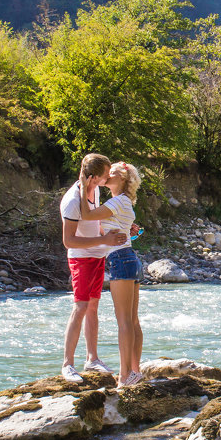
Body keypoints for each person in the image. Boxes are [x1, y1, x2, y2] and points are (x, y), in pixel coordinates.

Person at [59, 153, 129, 383]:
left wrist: (119, 229)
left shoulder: (95, 189)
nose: (107, 179)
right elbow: (69, 241)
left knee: (93, 307)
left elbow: (95, 222)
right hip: (81, 258)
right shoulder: (72, 201)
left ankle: (92, 358)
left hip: (98, 255)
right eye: (104, 176)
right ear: (92, 177)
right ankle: (67, 364)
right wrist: (103, 241)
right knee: (80, 307)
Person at [78, 161, 144, 386]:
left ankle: (125, 375)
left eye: (111, 173)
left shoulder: (117, 201)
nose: (106, 175)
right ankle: (135, 371)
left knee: (125, 322)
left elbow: (86, 215)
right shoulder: (122, 202)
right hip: (129, 258)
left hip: (120, 260)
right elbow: (110, 227)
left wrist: (81, 186)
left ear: (123, 179)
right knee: (132, 321)